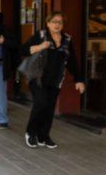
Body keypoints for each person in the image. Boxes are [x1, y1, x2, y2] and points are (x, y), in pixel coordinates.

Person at [21, 11, 84, 149]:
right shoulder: (41, 35)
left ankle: (44, 136)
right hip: (37, 78)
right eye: (54, 21)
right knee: (41, 103)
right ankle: (31, 133)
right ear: (48, 23)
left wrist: (79, 80)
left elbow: (72, 61)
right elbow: (24, 50)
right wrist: (40, 46)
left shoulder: (67, 39)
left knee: (49, 109)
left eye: (60, 22)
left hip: (55, 80)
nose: (57, 24)